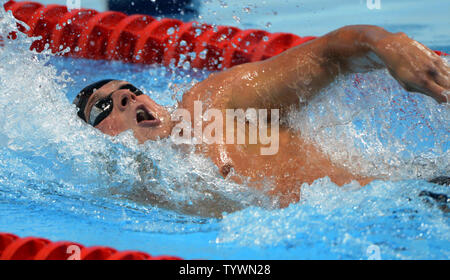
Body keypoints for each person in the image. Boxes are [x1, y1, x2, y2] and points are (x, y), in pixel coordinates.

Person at [73, 25, 449, 207]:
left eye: (131, 90)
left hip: (420, 197)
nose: (124, 96)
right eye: (103, 108)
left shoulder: (214, 101)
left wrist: (388, 46)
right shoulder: (140, 193)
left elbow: (329, 55)